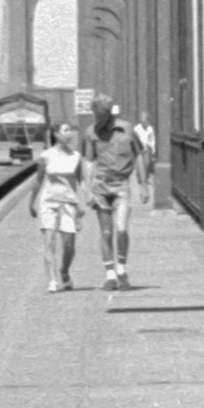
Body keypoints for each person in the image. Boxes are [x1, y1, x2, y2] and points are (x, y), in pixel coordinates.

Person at [31, 116, 88, 291]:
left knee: (69, 244)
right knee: (49, 241)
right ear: (56, 134)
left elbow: (82, 181)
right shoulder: (46, 156)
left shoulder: (76, 156)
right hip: (49, 202)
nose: (69, 134)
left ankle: (64, 270)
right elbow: (38, 180)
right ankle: (53, 280)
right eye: (65, 130)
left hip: (69, 203)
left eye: (70, 130)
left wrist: (87, 198)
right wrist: (31, 202)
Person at [90, 101, 140, 289]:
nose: (98, 121)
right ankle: (110, 274)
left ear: (108, 114)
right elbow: (88, 163)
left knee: (121, 229)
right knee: (106, 232)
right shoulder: (91, 132)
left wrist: (142, 184)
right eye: (95, 117)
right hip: (101, 186)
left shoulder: (127, 129)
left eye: (100, 117)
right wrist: (87, 191)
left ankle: (122, 269)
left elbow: (140, 153)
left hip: (121, 184)